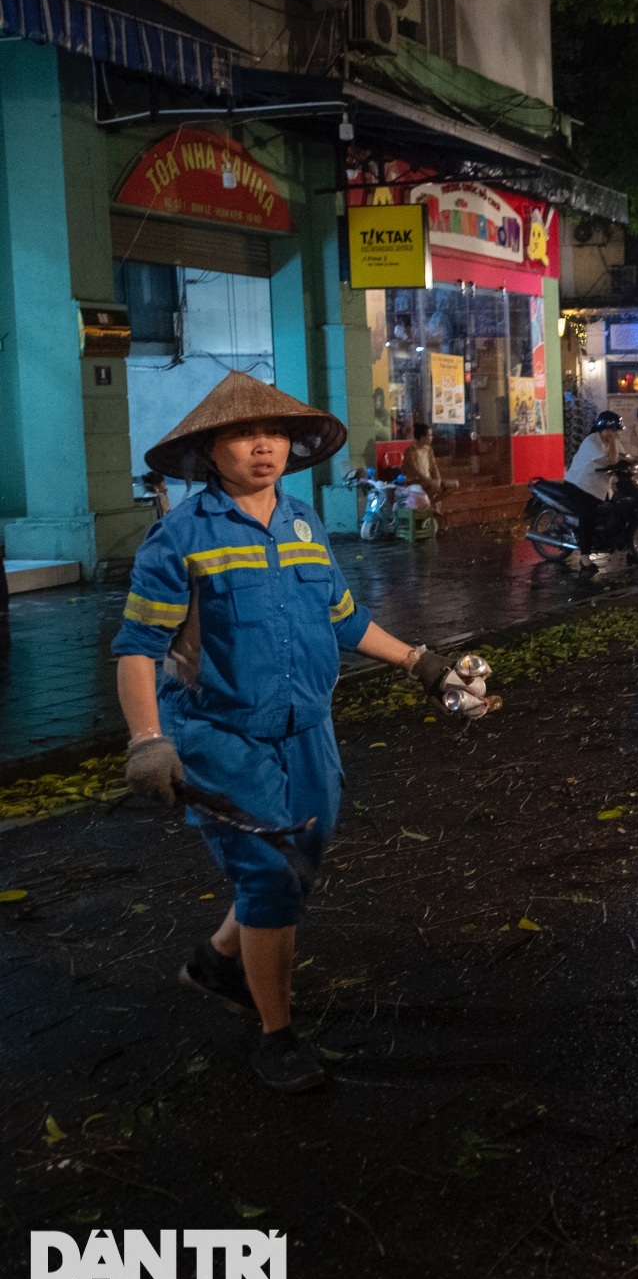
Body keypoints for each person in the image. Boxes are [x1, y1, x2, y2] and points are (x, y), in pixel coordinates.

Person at [113, 371, 490, 1094]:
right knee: (271, 872)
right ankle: (276, 1035)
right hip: (221, 735)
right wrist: (146, 739)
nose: (264, 447)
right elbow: (137, 647)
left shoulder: (303, 523)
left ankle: (218, 962)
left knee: (303, 854)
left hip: (308, 728)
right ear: (208, 451)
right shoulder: (180, 538)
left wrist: (420, 661)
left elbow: (343, 618)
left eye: (276, 433)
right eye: (243, 434)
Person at [565, 409, 629, 502]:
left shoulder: (613, 442)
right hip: (582, 486)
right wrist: (612, 440)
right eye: (615, 430)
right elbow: (613, 461)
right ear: (606, 429)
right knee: (591, 514)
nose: (618, 433)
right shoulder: (592, 442)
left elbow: (625, 455)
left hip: (598, 485)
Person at [400, 421, 448, 518]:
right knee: (434, 486)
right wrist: (430, 481)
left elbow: (434, 467)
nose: (431, 438)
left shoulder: (429, 450)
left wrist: (437, 479)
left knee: (454, 485)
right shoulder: (410, 451)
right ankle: (431, 506)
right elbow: (415, 470)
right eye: (429, 436)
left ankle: (431, 504)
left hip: (428, 480)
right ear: (422, 437)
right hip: (414, 482)